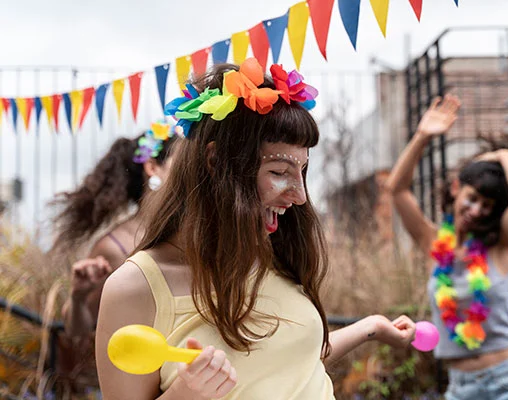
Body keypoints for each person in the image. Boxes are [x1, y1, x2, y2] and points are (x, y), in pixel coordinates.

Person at [95, 58, 417, 400]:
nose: (300, 196)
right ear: (216, 162)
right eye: (279, 172)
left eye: (302, 172)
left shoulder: (275, 255)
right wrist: (184, 395)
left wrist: (370, 328)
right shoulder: (135, 288)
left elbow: (286, 361)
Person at [385, 95, 508, 399]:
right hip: (461, 387)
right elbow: (396, 189)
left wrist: (501, 155)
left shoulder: (499, 244)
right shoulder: (433, 242)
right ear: (457, 190)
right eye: (473, 199)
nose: (477, 210)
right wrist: (423, 136)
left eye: (487, 206)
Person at [53, 122, 179, 339]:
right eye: (182, 162)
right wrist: (78, 297)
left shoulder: (194, 233)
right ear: (152, 168)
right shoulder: (114, 247)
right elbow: (77, 329)